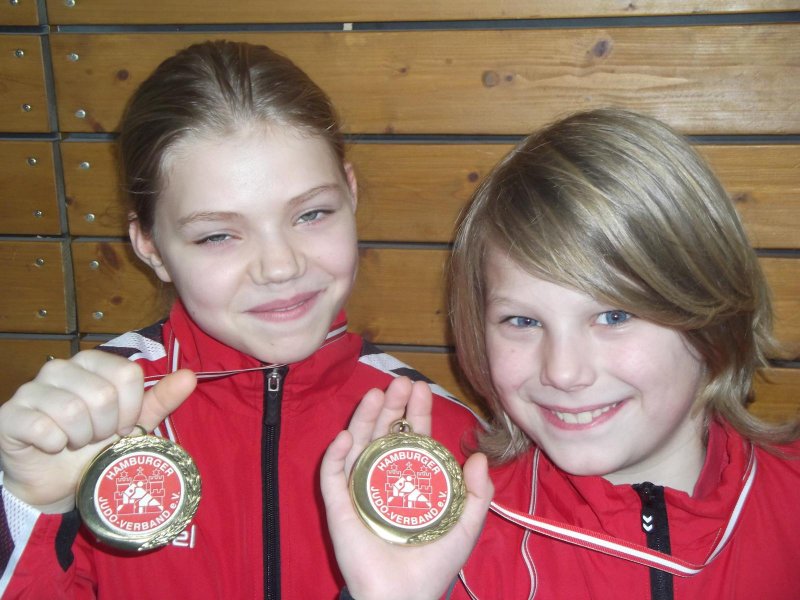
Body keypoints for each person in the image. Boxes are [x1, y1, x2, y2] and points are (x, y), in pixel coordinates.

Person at [0, 40, 477, 599]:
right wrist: (28, 509)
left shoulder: (441, 436)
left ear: (350, 195)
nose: (280, 266)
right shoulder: (79, 430)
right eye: (218, 235)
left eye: (312, 213)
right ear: (150, 245)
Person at [321, 108, 800, 599]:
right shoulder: (456, 549)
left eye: (614, 316)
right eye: (523, 322)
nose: (564, 372)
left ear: (711, 314)